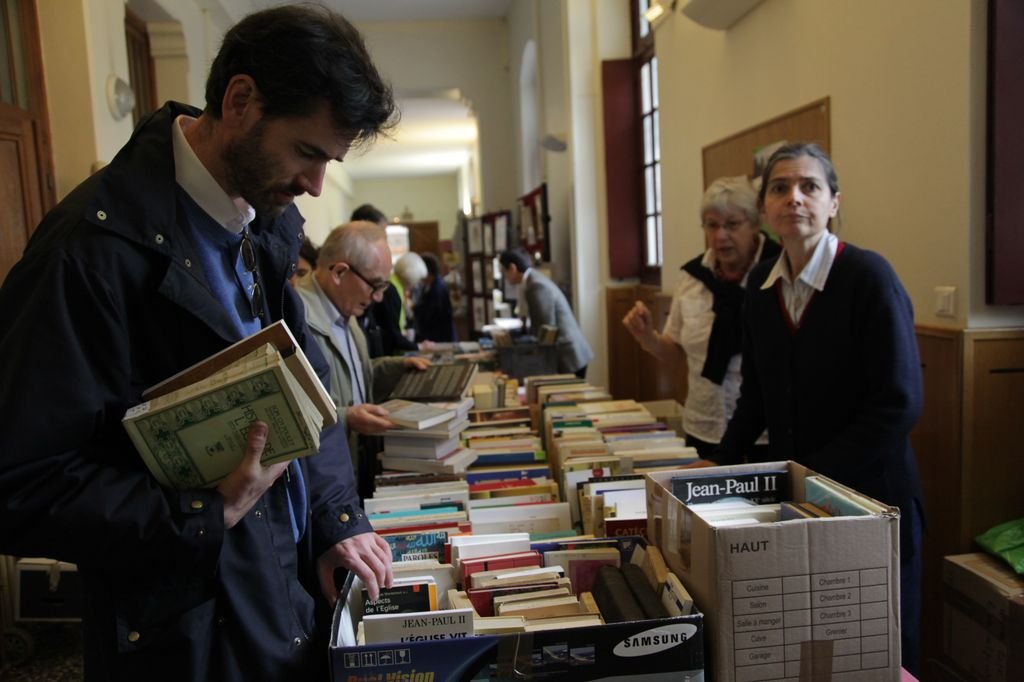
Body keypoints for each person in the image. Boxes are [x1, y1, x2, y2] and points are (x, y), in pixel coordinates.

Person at [0, 6, 397, 680]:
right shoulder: (88, 254)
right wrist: (204, 511)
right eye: (307, 152)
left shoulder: (268, 220)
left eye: (329, 161)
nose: (315, 185)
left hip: (287, 601)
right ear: (240, 102)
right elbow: (20, 485)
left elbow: (310, 399)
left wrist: (335, 517)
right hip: (185, 636)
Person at [703, 143, 925, 675]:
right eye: (779, 188)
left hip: (873, 500)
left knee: (879, 645)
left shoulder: (869, 277)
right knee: (811, 644)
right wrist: (716, 469)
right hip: (800, 507)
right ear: (765, 208)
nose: (794, 198)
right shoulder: (761, 288)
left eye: (809, 187)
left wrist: (814, 476)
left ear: (833, 203)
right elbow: (755, 397)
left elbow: (899, 403)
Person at [622, 176, 779, 458]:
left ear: (755, 224)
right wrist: (648, 338)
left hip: (768, 433)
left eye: (732, 225)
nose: (720, 236)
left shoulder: (781, 272)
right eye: (712, 225)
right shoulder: (693, 277)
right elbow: (678, 352)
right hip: (703, 427)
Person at [292, 221, 430, 499]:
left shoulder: (346, 314)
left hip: (356, 470)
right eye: (375, 286)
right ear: (340, 272)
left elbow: (352, 379)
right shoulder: (296, 319)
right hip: (323, 486)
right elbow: (286, 414)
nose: (379, 297)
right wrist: (346, 418)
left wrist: (395, 367)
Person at [499, 249, 594, 378]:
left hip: (569, 356)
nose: (505, 276)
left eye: (504, 271)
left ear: (512, 268)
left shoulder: (536, 285)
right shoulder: (532, 280)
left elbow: (546, 328)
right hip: (567, 353)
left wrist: (523, 342)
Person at [379, 251, 427, 354]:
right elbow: (392, 332)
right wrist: (417, 346)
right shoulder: (392, 291)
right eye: (418, 280)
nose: (417, 284)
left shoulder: (395, 285)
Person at [413, 252, 457, 343]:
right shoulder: (428, 285)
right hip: (433, 337)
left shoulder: (438, 288)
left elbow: (432, 314)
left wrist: (415, 309)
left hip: (441, 338)